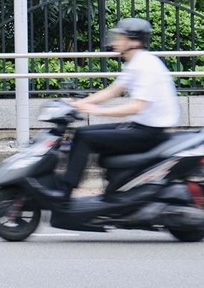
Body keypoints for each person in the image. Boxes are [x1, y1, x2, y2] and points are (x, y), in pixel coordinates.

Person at [37, 17, 181, 204]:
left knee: (85, 138)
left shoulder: (146, 66)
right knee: (81, 134)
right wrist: (78, 104)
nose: (115, 41)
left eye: (120, 37)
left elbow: (137, 107)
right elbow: (113, 90)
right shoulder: (136, 62)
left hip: (149, 133)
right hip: (141, 128)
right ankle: (94, 189)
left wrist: (97, 112)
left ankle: (65, 191)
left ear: (134, 42)